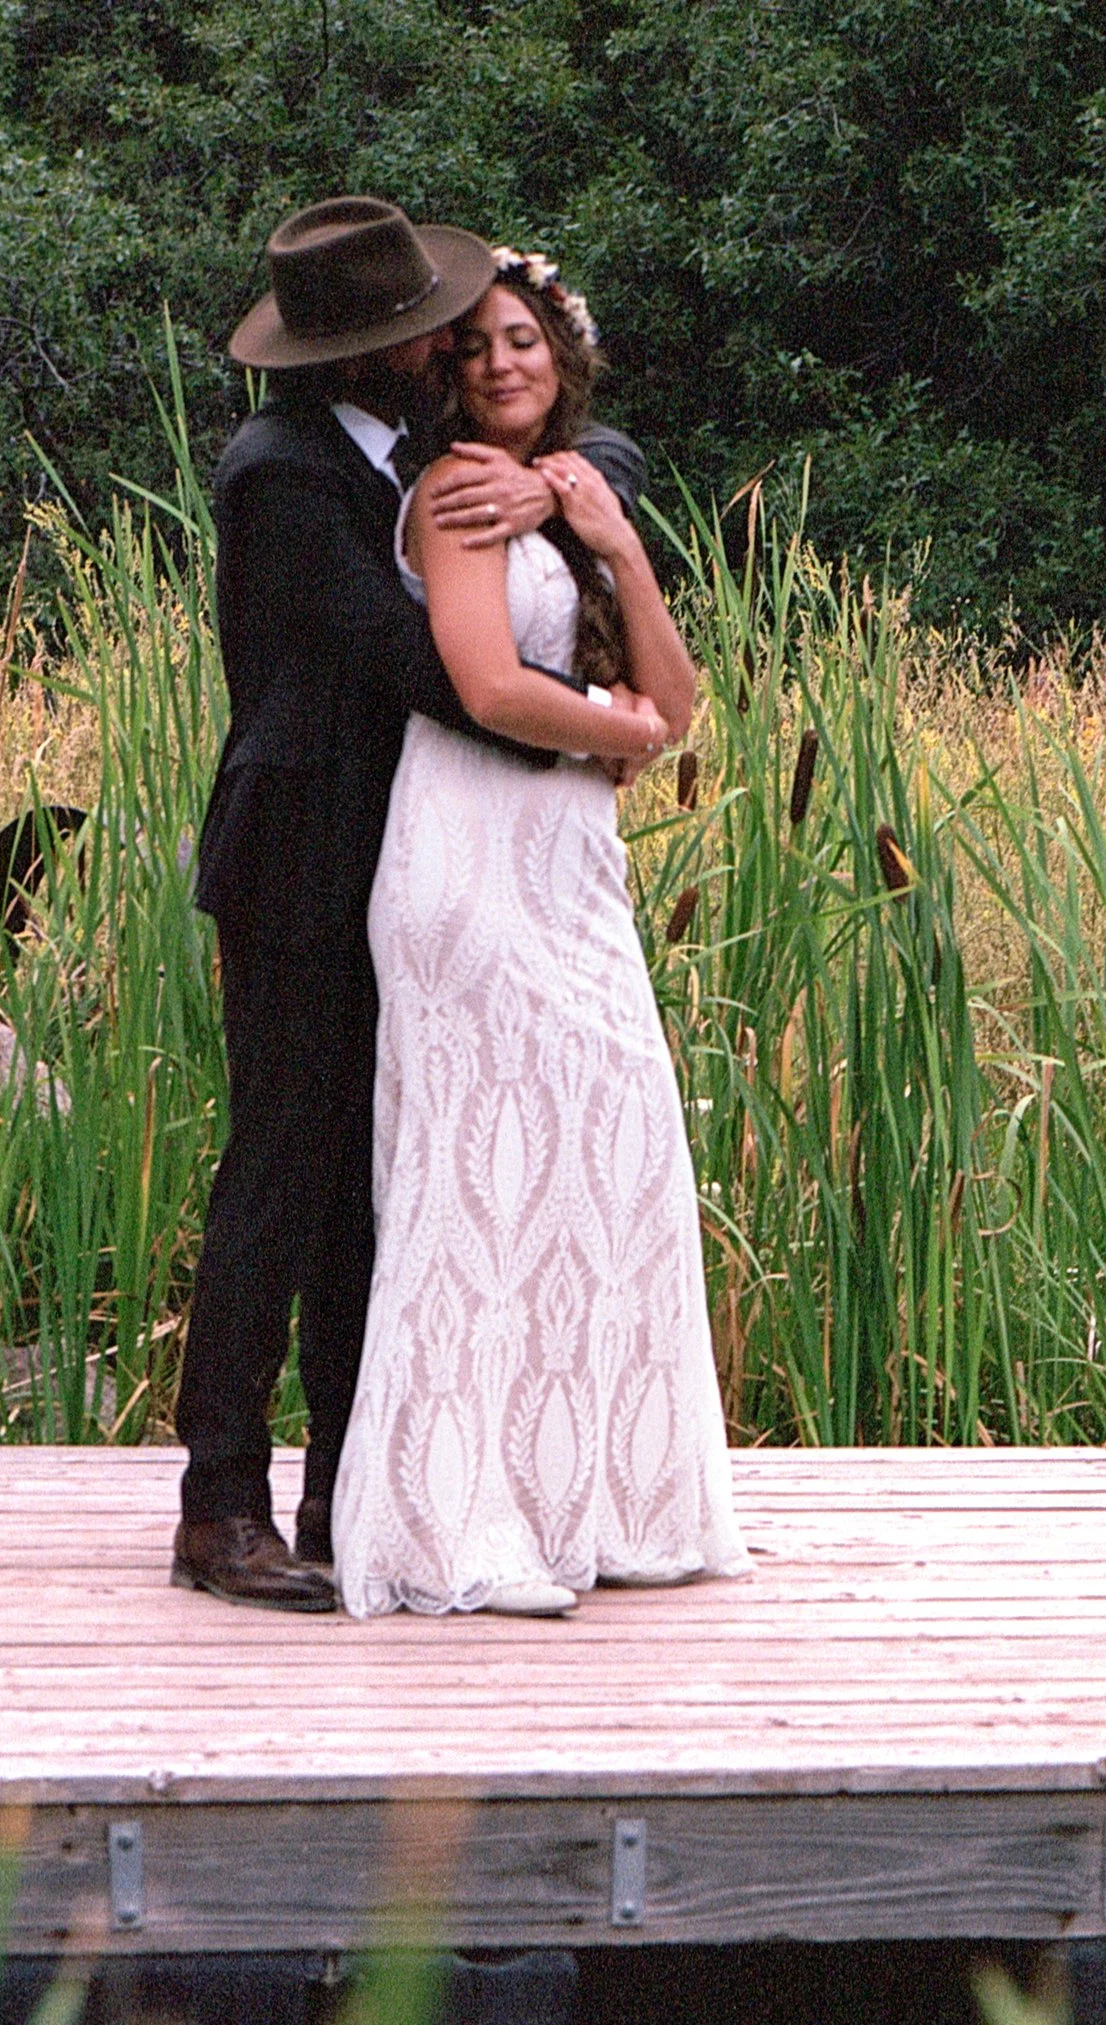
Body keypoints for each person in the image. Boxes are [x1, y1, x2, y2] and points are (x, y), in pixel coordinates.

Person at [173, 197, 632, 1612]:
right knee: (282, 1174)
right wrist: (608, 723)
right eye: (425, 332)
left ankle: (345, 1490)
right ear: (360, 358)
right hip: (304, 863)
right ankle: (220, 1504)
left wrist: (560, 492)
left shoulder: (424, 453)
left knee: (384, 1188)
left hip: (417, 875)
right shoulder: (283, 474)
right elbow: (421, 664)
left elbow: (600, 445)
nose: (453, 347)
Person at [331, 251, 749, 1615]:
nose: (501, 364)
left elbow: (680, 699)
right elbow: (488, 683)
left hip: (572, 865)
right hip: (466, 851)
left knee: (612, 1142)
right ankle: (463, 1516)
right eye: (475, 349)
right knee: (481, 1176)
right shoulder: (453, 498)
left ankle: (602, 1492)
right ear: (447, 374)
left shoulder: (579, 506)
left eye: (524, 341)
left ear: (562, 359)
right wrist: (613, 728)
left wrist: (615, 540)